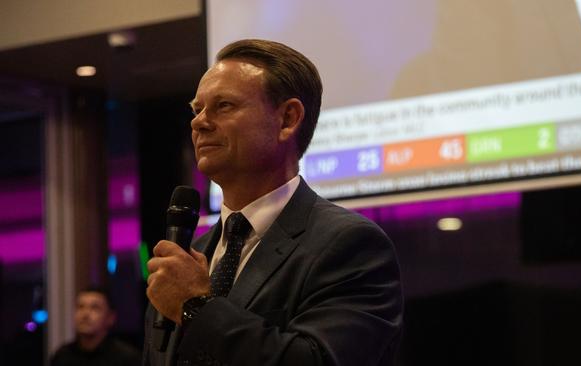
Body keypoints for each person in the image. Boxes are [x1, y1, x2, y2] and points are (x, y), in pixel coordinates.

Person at [143, 39, 403, 365]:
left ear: (287, 120)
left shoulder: (350, 245)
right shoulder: (186, 263)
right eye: (197, 109)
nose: (199, 122)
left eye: (223, 105)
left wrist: (196, 308)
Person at [50, 286, 141, 366]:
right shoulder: (62, 356)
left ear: (110, 318)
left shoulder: (126, 358)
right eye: (80, 307)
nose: (85, 314)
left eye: (95, 308)